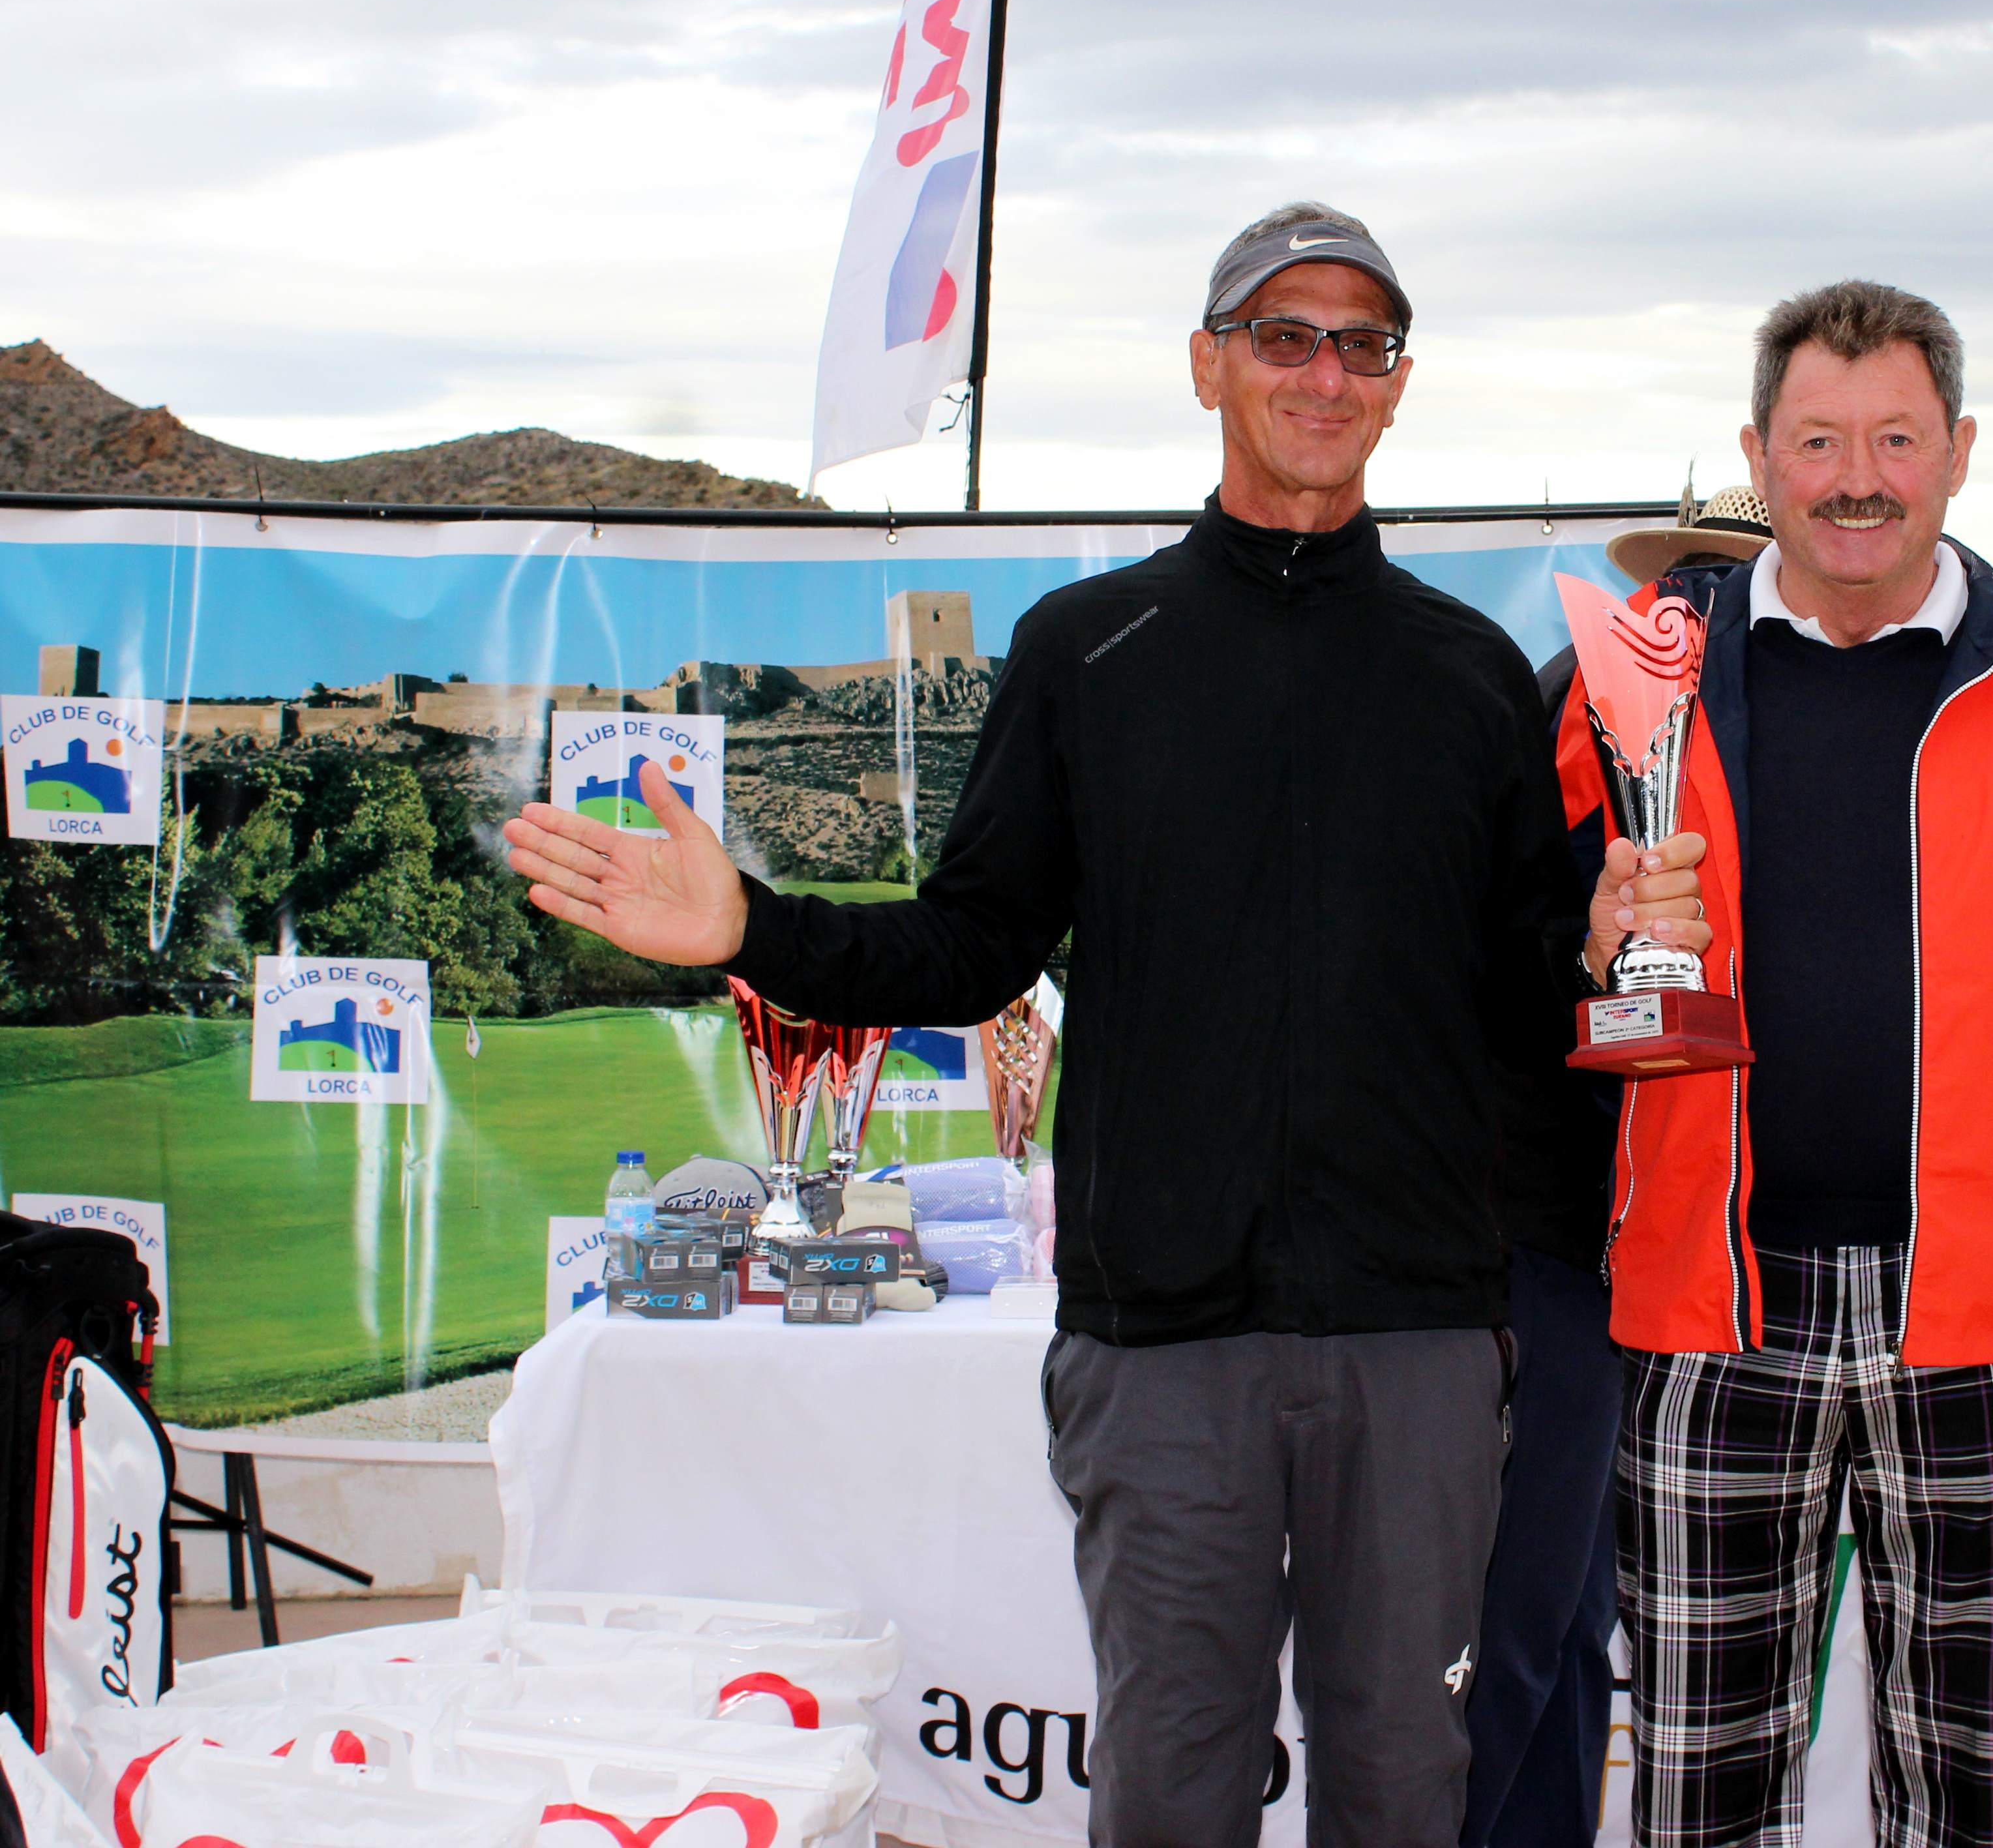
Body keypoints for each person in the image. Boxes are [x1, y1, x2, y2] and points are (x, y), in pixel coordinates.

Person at [496, 202, 1709, 1847]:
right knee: (1168, 1790)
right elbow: (969, 946)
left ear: (1397, 384)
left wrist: (1600, 950)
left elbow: (1519, 994)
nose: (1325, 373)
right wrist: (753, 931)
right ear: (1208, 365)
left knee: (1407, 1792)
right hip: (1161, 1347)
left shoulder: (1469, 673)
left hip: (1418, 1344)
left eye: (1362, 343)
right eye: (1284, 335)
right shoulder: (1091, 651)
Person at [1559, 280, 1993, 1847]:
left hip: (1984, 1322)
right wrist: (1583, 943)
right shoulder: (1637, 674)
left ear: (1956, 452)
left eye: (1892, 439)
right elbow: (1528, 941)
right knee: (1696, 1794)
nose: (1853, 478)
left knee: (1964, 1797)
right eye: (1816, 440)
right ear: (1758, 455)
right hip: (1705, 1314)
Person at [1464, 483, 1775, 1848]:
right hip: (1562, 1220)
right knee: (1528, 1613)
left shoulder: (1605, 688)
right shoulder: (1624, 700)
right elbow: (1550, 958)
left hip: (1603, 1228)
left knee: (1572, 1611)